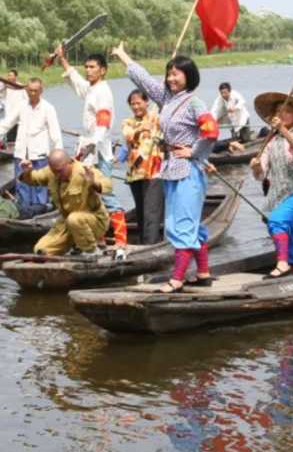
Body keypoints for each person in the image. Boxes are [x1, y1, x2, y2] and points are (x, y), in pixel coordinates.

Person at [112, 42, 218, 293]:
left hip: (188, 169)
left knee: (180, 224)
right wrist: (123, 56)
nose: (170, 78)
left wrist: (194, 152)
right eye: (169, 74)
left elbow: (211, 131)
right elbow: (145, 80)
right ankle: (203, 272)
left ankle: (177, 279)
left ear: (188, 76)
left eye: (176, 74)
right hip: (170, 167)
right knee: (188, 223)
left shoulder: (194, 102)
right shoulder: (167, 100)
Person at [55, 45, 129, 248]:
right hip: (90, 149)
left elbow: (103, 120)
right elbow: (78, 83)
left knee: (106, 193)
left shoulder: (103, 92)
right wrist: (63, 59)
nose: (88, 70)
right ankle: (100, 238)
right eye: (86, 67)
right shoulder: (92, 88)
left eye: (92, 67)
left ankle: (122, 241)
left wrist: (94, 142)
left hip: (99, 150)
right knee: (90, 196)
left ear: (103, 70)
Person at [251, 92, 293, 278]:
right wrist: (256, 166)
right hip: (278, 196)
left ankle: (282, 264)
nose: (283, 114)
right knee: (291, 236)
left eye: (288, 111)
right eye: (279, 111)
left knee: (276, 221)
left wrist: (283, 129)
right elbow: (262, 171)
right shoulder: (270, 141)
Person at [18, 149, 114, 256]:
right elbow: (35, 178)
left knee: (74, 219)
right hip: (66, 223)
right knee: (41, 250)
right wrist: (27, 173)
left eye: (60, 171)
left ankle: (91, 250)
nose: (57, 175)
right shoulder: (52, 172)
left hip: (93, 220)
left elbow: (108, 185)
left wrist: (94, 183)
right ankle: (76, 245)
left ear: (69, 163)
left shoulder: (84, 171)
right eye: (54, 172)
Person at [0, 78, 63, 207]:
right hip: (22, 152)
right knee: (21, 183)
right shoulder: (20, 106)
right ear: (26, 90)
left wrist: (59, 152)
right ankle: (23, 208)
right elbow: (6, 123)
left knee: (40, 184)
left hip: (40, 154)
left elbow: (55, 132)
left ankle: (40, 208)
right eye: (30, 90)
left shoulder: (48, 108)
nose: (32, 93)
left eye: (35, 91)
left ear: (41, 91)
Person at [119, 89, 165, 245]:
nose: (136, 106)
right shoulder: (128, 123)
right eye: (133, 104)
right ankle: (144, 242)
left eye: (139, 103)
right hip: (135, 173)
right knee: (140, 211)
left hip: (154, 173)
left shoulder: (157, 120)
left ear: (147, 102)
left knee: (151, 211)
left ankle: (150, 245)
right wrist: (140, 128)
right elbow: (128, 135)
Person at [210, 82, 252, 150]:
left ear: (229, 91)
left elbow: (242, 101)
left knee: (246, 139)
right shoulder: (219, 99)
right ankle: (234, 145)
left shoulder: (235, 94)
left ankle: (244, 140)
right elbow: (214, 110)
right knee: (234, 138)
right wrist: (212, 121)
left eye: (225, 92)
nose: (223, 94)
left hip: (242, 119)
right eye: (222, 93)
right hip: (232, 121)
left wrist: (235, 108)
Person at [3, 69, 28, 144]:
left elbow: (26, 99)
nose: (10, 77)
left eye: (11, 76)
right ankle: (9, 145)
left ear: (16, 77)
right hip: (8, 113)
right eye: (9, 75)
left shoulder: (21, 87)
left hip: (19, 114)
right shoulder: (4, 87)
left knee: (19, 132)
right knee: (9, 132)